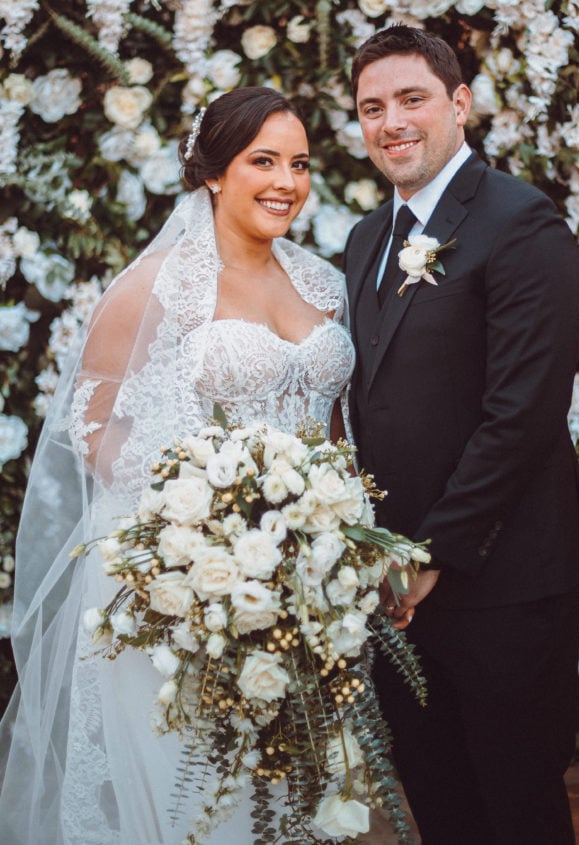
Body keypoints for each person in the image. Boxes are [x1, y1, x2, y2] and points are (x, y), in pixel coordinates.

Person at [0, 87, 356, 844]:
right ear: (213, 173)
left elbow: (335, 425)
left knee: (288, 786)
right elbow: (92, 422)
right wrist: (195, 527)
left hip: (306, 580)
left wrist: (336, 532)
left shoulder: (326, 284)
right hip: (182, 588)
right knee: (195, 794)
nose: (285, 182)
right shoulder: (152, 286)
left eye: (299, 163)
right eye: (262, 161)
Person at [344, 25, 579, 845]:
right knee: (442, 808)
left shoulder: (522, 223)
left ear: (459, 103)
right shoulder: (364, 241)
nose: (391, 122)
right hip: (397, 596)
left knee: (517, 811)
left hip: (503, 583)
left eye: (411, 99)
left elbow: (521, 416)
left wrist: (432, 555)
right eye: (371, 107)